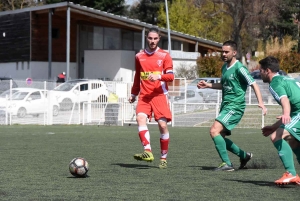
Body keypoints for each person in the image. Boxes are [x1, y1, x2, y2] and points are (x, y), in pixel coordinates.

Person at [197, 40, 267, 171]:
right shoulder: (224, 67)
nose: (223, 54)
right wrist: (208, 85)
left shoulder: (240, 68)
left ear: (234, 53)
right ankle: (243, 155)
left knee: (214, 131)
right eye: (222, 51)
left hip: (235, 107)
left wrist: (261, 103)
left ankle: (227, 164)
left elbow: (254, 84)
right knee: (220, 137)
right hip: (226, 106)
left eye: (226, 52)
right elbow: (223, 86)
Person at [128, 27, 174, 169]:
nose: (152, 41)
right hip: (145, 95)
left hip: (159, 95)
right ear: (146, 38)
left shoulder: (164, 56)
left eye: (155, 38)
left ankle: (163, 158)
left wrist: (159, 76)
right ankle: (147, 151)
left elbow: (171, 77)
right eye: (150, 38)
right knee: (140, 118)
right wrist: (134, 93)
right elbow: (137, 77)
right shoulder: (139, 56)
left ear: (159, 39)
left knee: (162, 125)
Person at [259, 56, 300, 185]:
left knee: (276, 137)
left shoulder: (275, 83)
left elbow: (285, 100)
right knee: (293, 142)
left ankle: (291, 173)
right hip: (297, 113)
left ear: (267, 71)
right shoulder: (285, 78)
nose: (259, 72)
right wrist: (274, 126)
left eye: (261, 70)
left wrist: (286, 113)